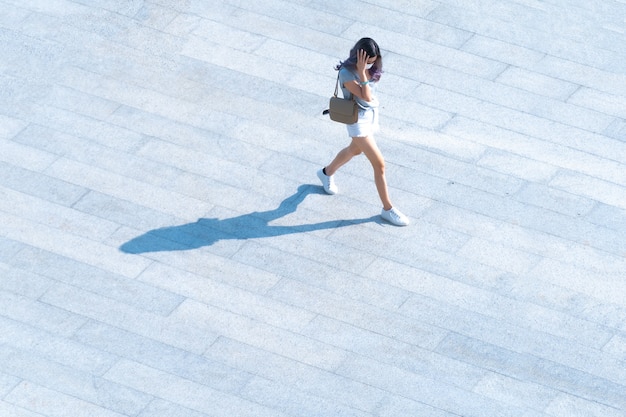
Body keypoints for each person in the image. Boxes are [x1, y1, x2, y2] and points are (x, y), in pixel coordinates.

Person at [318, 37, 409, 226]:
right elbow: (366, 96)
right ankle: (387, 209)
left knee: (354, 150)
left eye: (373, 61)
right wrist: (361, 71)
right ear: (358, 56)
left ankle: (327, 172)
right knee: (379, 164)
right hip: (357, 121)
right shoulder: (347, 73)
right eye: (367, 61)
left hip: (370, 117)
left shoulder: (370, 68)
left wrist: (366, 71)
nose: (370, 65)